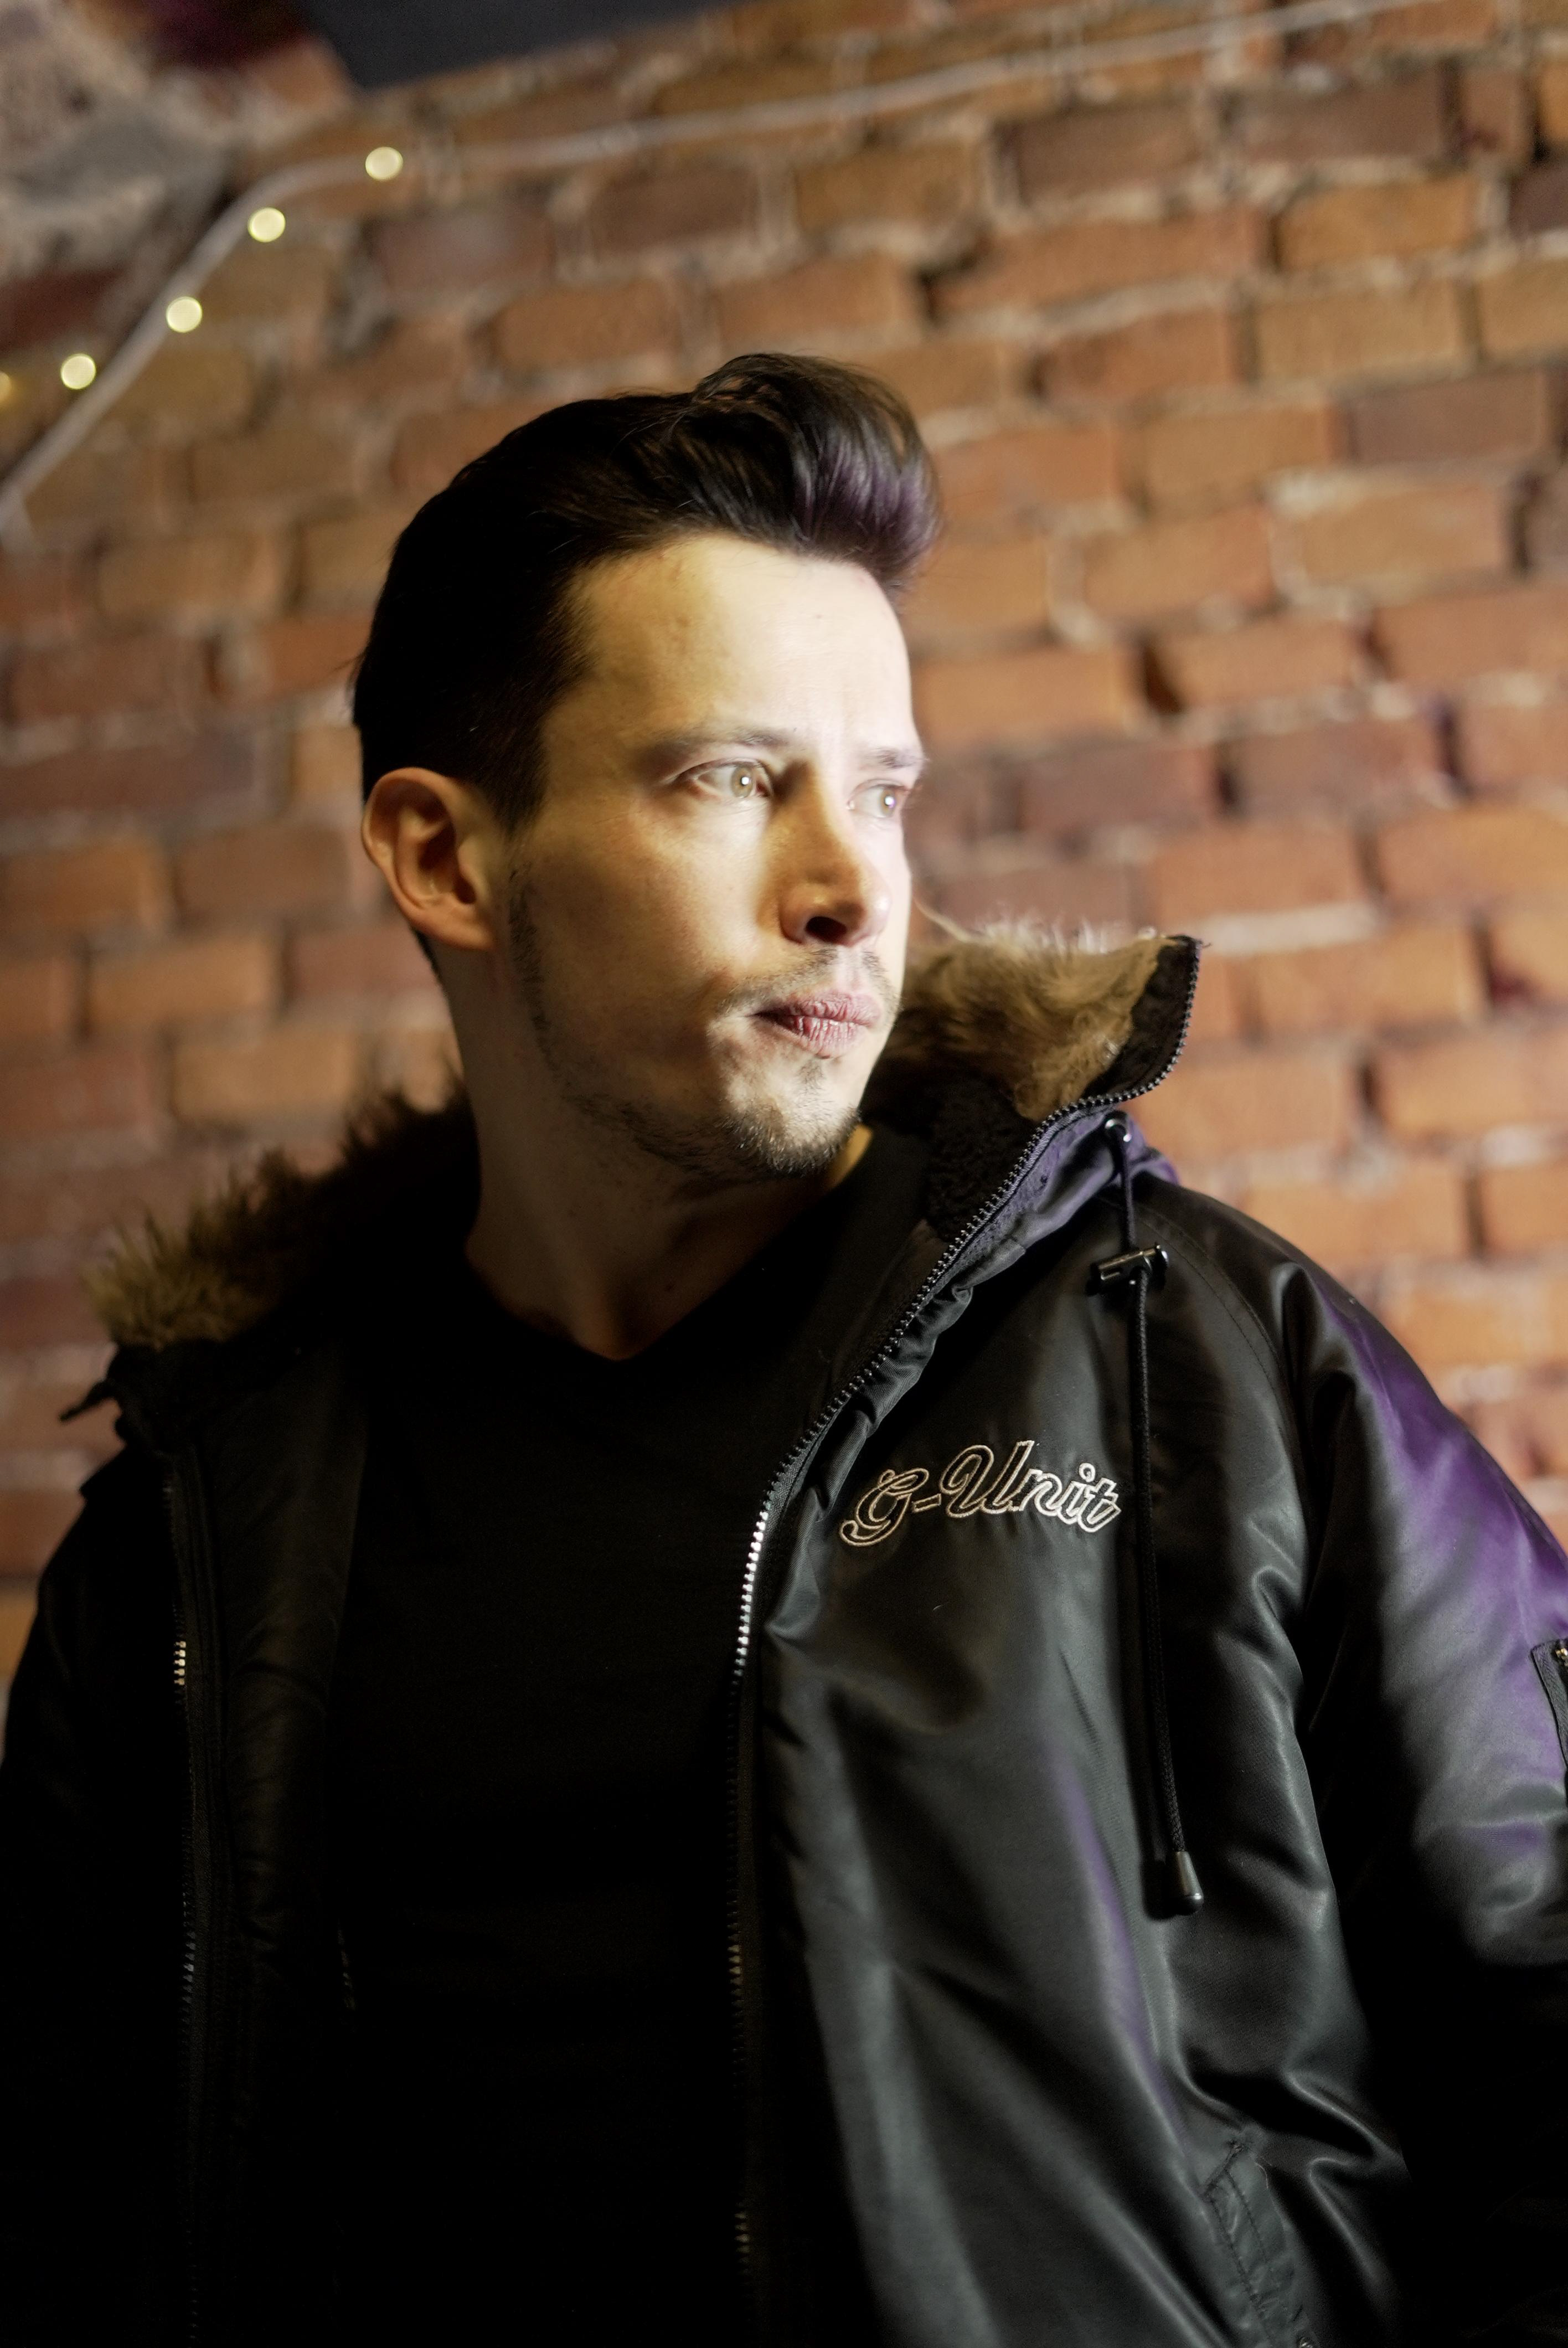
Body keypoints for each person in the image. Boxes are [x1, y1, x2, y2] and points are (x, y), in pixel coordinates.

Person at [3, 352, 1567, 2348]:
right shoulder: (205, 1537)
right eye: (732, 781)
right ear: (445, 859)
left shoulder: (1198, 1363)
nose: (854, 890)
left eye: (883, 792)